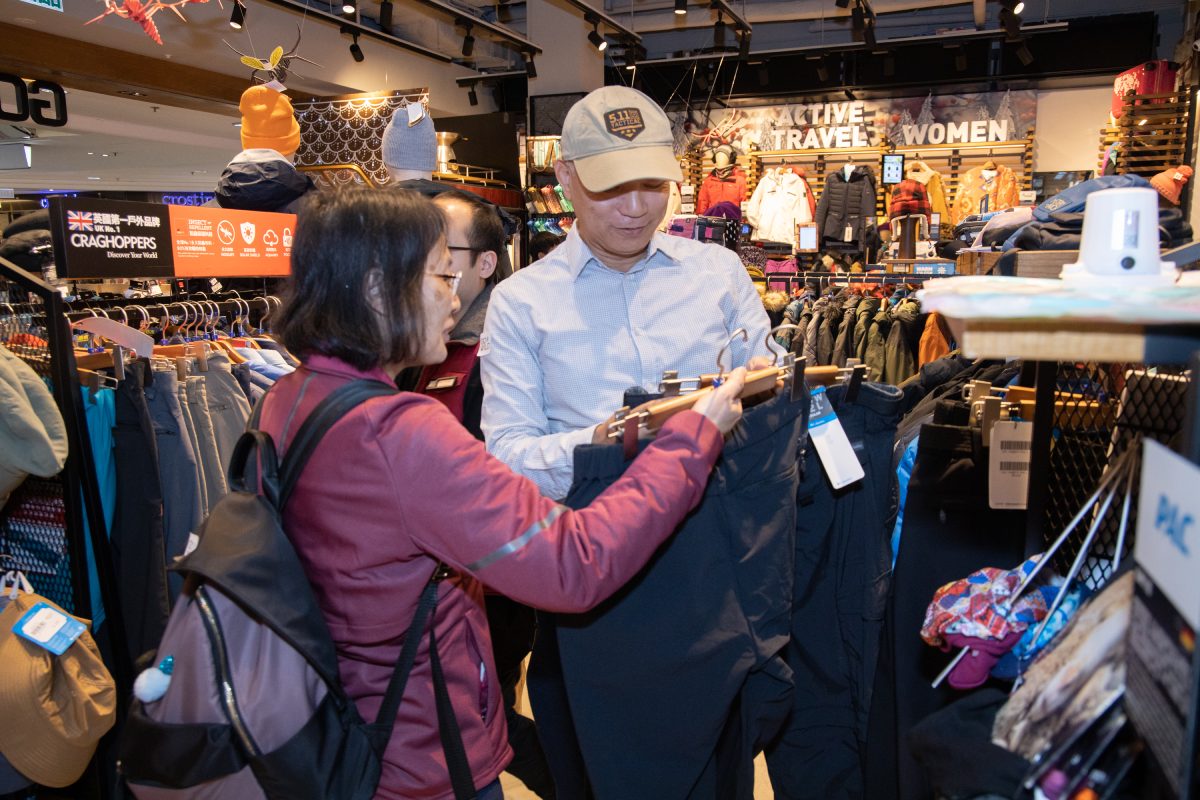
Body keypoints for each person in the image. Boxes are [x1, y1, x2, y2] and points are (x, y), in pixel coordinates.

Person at [261, 186, 749, 800]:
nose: (455, 296)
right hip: (423, 754)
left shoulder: (291, 395)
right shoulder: (400, 432)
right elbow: (573, 563)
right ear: (380, 292)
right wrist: (691, 441)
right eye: (441, 276)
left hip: (347, 727)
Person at [481, 85, 775, 501]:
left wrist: (769, 389)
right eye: (611, 186)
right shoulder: (519, 303)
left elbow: (772, 383)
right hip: (592, 528)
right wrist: (602, 444)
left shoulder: (720, 272)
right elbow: (508, 456)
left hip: (721, 521)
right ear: (565, 176)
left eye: (653, 183)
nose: (635, 208)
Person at [408, 190, 559, 798]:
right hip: (443, 582)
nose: (433, 268)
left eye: (446, 253)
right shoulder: (428, 343)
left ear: (486, 263)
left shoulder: (502, 350)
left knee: (480, 719)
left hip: (488, 583)